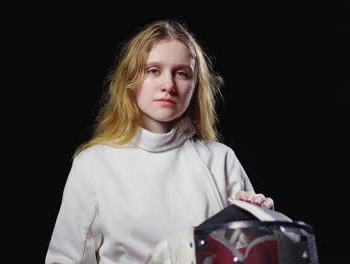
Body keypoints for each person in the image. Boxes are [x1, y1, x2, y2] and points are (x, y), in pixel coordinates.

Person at [45, 20, 274, 264]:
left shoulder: (220, 159)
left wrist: (259, 221)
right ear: (130, 79)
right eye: (153, 70)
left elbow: (251, 256)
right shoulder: (93, 165)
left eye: (181, 73)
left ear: (195, 86)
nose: (168, 85)